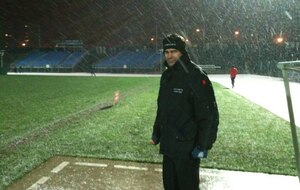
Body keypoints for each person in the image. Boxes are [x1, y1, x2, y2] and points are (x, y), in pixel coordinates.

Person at [150, 33, 219, 190]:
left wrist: (203, 145)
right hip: (169, 146)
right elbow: (162, 108)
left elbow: (208, 115)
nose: (170, 56)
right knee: (170, 187)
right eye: (167, 52)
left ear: (182, 52)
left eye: (174, 51)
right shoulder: (167, 76)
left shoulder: (196, 76)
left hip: (188, 149)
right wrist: (157, 132)